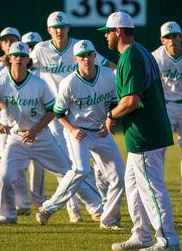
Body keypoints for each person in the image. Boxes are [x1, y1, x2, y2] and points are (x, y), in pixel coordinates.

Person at [0, 42, 101, 225]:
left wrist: (35, 130)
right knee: (5, 176)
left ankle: (98, 208)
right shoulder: (1, 83)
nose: (19, 60)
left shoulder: (38, 84)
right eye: (15, 56)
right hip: (16, 137)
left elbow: (52, 111)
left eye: (23, 57)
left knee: (69, 172)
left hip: (42, 137)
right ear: (9, 59)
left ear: (28, 61)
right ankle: (7, 216)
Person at [99, 11, 180, 251]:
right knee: (133, 186)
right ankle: (141, 235)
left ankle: (167, 239)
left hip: (146, 133)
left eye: (107, 31)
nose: (105, 36)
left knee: (151, 188)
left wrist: (111, 114)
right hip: (143, 133)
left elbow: (131, 100)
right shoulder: (141, 51)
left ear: (118, 31)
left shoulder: (130, 56)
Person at [30, 11, 114, 222]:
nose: (59, 30)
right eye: (55, 27)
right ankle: (80, 208)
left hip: (85, 112)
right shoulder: (40, 49)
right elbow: (23, 66)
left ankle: (94, 206)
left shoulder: (80, 48)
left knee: (81, 167)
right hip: (58, 116)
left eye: (63, 26)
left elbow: (109, 66)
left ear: (68, 28)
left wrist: (122, 75)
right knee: (71, 166)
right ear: (48, 30)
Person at [36, 40, 125, 230]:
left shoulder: (108, 75)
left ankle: (108, 219)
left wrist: (110, 122)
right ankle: (48, 208)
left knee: (119, 176)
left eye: (89, 55)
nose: (86, 59)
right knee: (81, 170)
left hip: (100, 131)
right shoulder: (69, 83)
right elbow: (58, 113)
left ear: (95, 56)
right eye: (82, 56)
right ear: (75, 59)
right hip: (78, 132)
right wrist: (71, 129)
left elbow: (113, 104)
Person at [0, 27, 43, 212]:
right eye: (5, 40)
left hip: (36, 120)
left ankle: (33, 200)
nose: (9, 43)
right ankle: (15, 200)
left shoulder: (39, 66)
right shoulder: (0, 68)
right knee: (7, 159)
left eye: (12, 40)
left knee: (34, 162)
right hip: (8, 120)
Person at [152, 21, 182, 214]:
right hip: (165, 108)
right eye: (167, 37)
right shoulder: (156, 57)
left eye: (175, 36)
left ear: (181, 37)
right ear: (162, 40)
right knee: (158, 155)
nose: (171, 40)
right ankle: (157, 197)